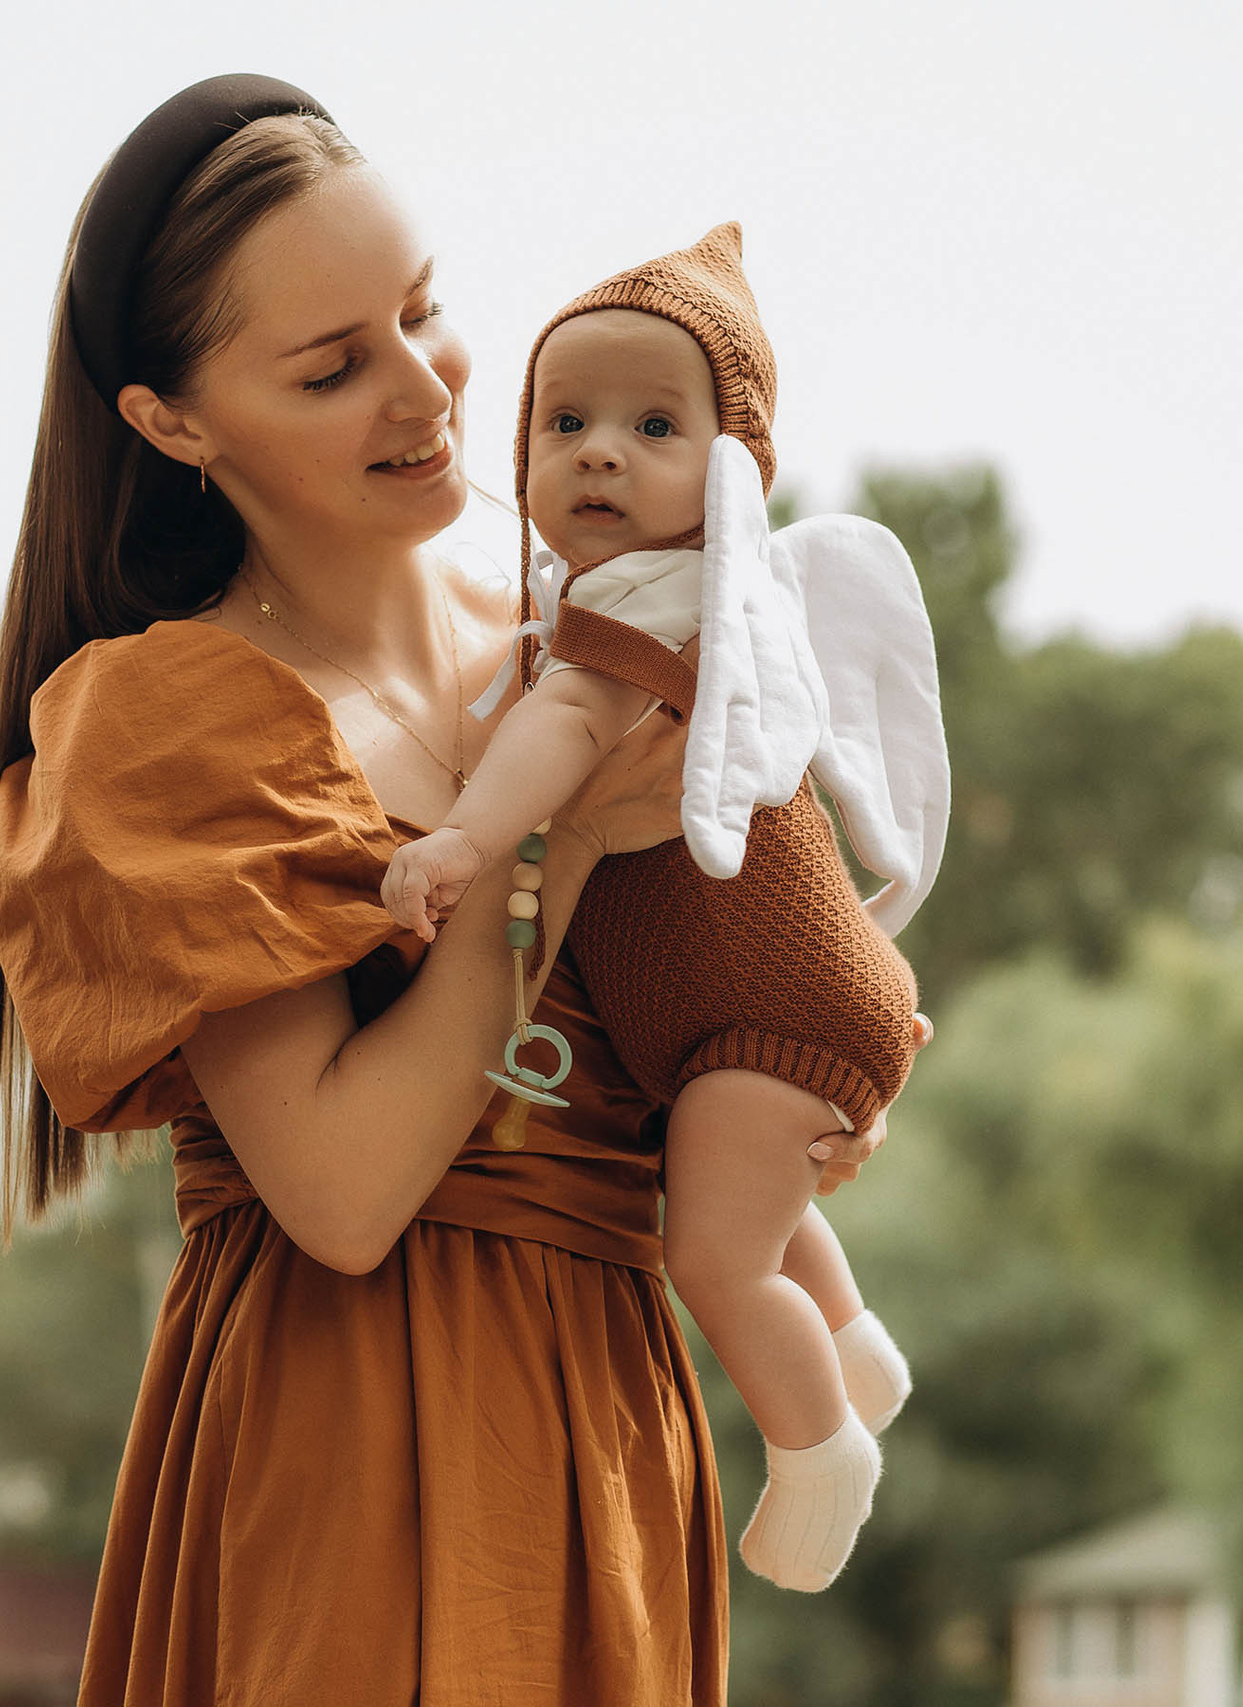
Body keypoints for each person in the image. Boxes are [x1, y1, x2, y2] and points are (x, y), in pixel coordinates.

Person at [0, 76, 918, 1704]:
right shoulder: (164, 717)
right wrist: (548, 854)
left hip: (611, 1419)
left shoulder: (586, 643)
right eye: (334, 366)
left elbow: (738, 1004)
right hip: (348, 1436)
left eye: (423, 312)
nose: (426, 391)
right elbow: (339, 1196)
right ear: (173, 424)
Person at [380, 225, 938, 1592]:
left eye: (651, 425)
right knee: (729, 1178)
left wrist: (464, 834)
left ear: (734, 474)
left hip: (762, 1008)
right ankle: (857, 1345)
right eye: (564, 420)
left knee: (713, 1254)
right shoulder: (687, 603)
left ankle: (820, 1453)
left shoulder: (653, 608)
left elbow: (562, 736)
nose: (599, 454)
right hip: (773, 1005)